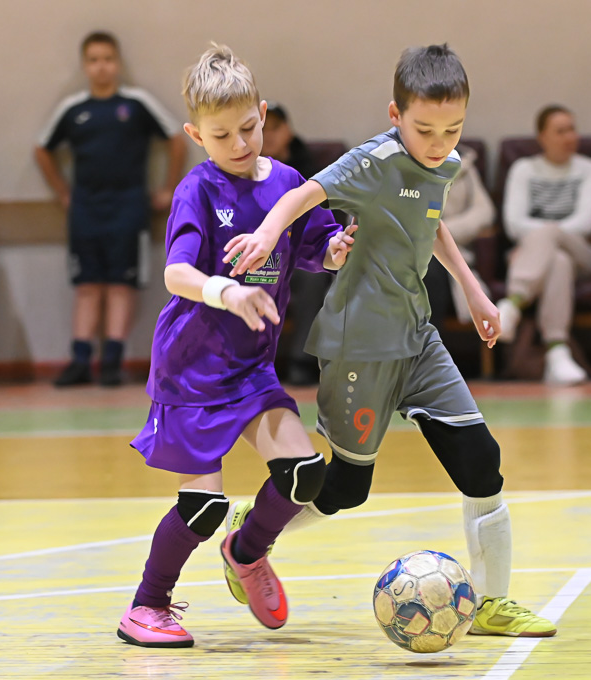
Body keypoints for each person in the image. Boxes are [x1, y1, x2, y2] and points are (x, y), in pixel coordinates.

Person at [223, 44, 556, 638]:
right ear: (395, 115)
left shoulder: (444, 162)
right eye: (424, 129)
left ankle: (492, 604)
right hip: (360, 347)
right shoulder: (372, 161)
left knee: (482, 462)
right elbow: (302, 195)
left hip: (418, 337)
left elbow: (430, 220)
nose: (439, 142)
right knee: (346, 488)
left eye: (453, 129)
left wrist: (475, 291)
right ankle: (251, 532)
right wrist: (269, 235)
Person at [117, 45, 353, 648]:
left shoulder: (289, 184)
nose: (240, 143)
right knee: (203, 507)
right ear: (196, 135)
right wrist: (226, 291)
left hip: (251, 369)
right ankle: (146, 607)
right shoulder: (197, 189)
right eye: (221, 136)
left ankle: (246, 552)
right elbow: (176, 274)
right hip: (191, 371)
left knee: (304, 475)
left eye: (249, 128)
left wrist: (336, 252)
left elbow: (316, 248)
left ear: (263, 113)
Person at [35, 31, 188, 387]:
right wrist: (62, 192)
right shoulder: (73, 108)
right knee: (87, 285)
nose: (101, 67)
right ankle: (80, 360)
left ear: (117, 63)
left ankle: (112, 362)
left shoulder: (136, 103)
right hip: (85, 208)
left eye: (107, 59)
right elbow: (42, 148)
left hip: (129, 207)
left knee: (121, 284)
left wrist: (168, 188)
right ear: (84, 65)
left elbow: (176, 140)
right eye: (93, 60)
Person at [497, 105, 591, 385]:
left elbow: (586, 223)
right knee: (558, 261)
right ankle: (557, 352)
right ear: (542, 137)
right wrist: (543, 243)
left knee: (554, 242)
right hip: (544, 257)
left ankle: (513, 303)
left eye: (572, 129)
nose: (570, 137)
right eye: (560, 131)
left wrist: (543, 236)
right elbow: (513, 223)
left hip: (582, 253)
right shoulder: (524, 169)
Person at [260, 102, 335, 384]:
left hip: (297, 251)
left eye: (274, 128)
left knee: (315, 276)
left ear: (288, 131)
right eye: (263, 129)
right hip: (259, 251)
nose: (268, 136)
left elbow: (323, 219)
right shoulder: (245, 169)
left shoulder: (308, 171)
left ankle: (302, 360)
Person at [422, 143, 494, 338]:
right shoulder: (388, 161)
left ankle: (427, 350)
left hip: (450, 255)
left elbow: (484, 212)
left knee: (430, 266)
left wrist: (443, 231)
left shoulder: (464, 165)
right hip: (399, 251)